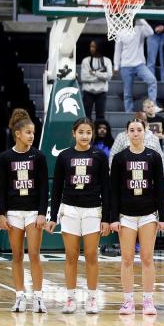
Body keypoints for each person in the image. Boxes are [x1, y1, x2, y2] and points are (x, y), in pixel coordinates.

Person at [48, 117, 109, 314]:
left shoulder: (99, 156)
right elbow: (56, 188)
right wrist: (53, 217)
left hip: (92, 209)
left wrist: (107, 217)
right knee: (71, 255)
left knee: (91, 255)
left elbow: (106, 189)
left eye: (88, 132)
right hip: (70, 209)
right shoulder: (65, 156)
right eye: (81, 132)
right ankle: (70, 298)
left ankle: (92, 298)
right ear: (74, 133)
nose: (85, 136)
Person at [108, 118, 164, 316]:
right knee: (126, 258)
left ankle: (148, 300)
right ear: (126, 134)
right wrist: (113, 217)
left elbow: (160, 187)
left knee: (147, 258)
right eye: (132, 130)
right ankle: (128, 301)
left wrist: (163, 215)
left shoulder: (153, 157)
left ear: (145, 133)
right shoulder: (119, 158)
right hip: (126, 215)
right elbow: (114, 190)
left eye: (139, 130)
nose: (135, 133)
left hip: (148, 214)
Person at [0, 109, 50, 313]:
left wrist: (43, 213)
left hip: (33, 211)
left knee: (34, 254)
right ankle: (19, 296)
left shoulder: (39, 156)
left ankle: (38, 297)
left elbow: (44, 187)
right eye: (28, 132)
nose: (32, 136)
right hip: (13, 212)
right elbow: (1, 188)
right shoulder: (5, 157)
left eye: (33, 133)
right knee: (16, 255)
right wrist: (1, 213)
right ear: (18, 133)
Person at [113, 19, 156, 113]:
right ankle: (129, 112)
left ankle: (152, 107)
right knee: (127, 93)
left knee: (152, 80)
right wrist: (116, 66)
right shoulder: (120, 31)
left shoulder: (140, 27)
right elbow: (118, 50)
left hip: (139, 64)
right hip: (125, 65)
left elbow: (151, 32)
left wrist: (141, 19)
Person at [79, 40, 112, 121]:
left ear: (98, 47)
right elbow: (84, 78)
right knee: (87, 117)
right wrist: (101, 77)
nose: (91, 49)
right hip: (88, 92)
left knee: (100, 117)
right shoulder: (86, 60)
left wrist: (94, 73)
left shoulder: (107, 61)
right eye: (90, 46)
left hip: (101, 92)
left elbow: (109, 76)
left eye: (93, 47)